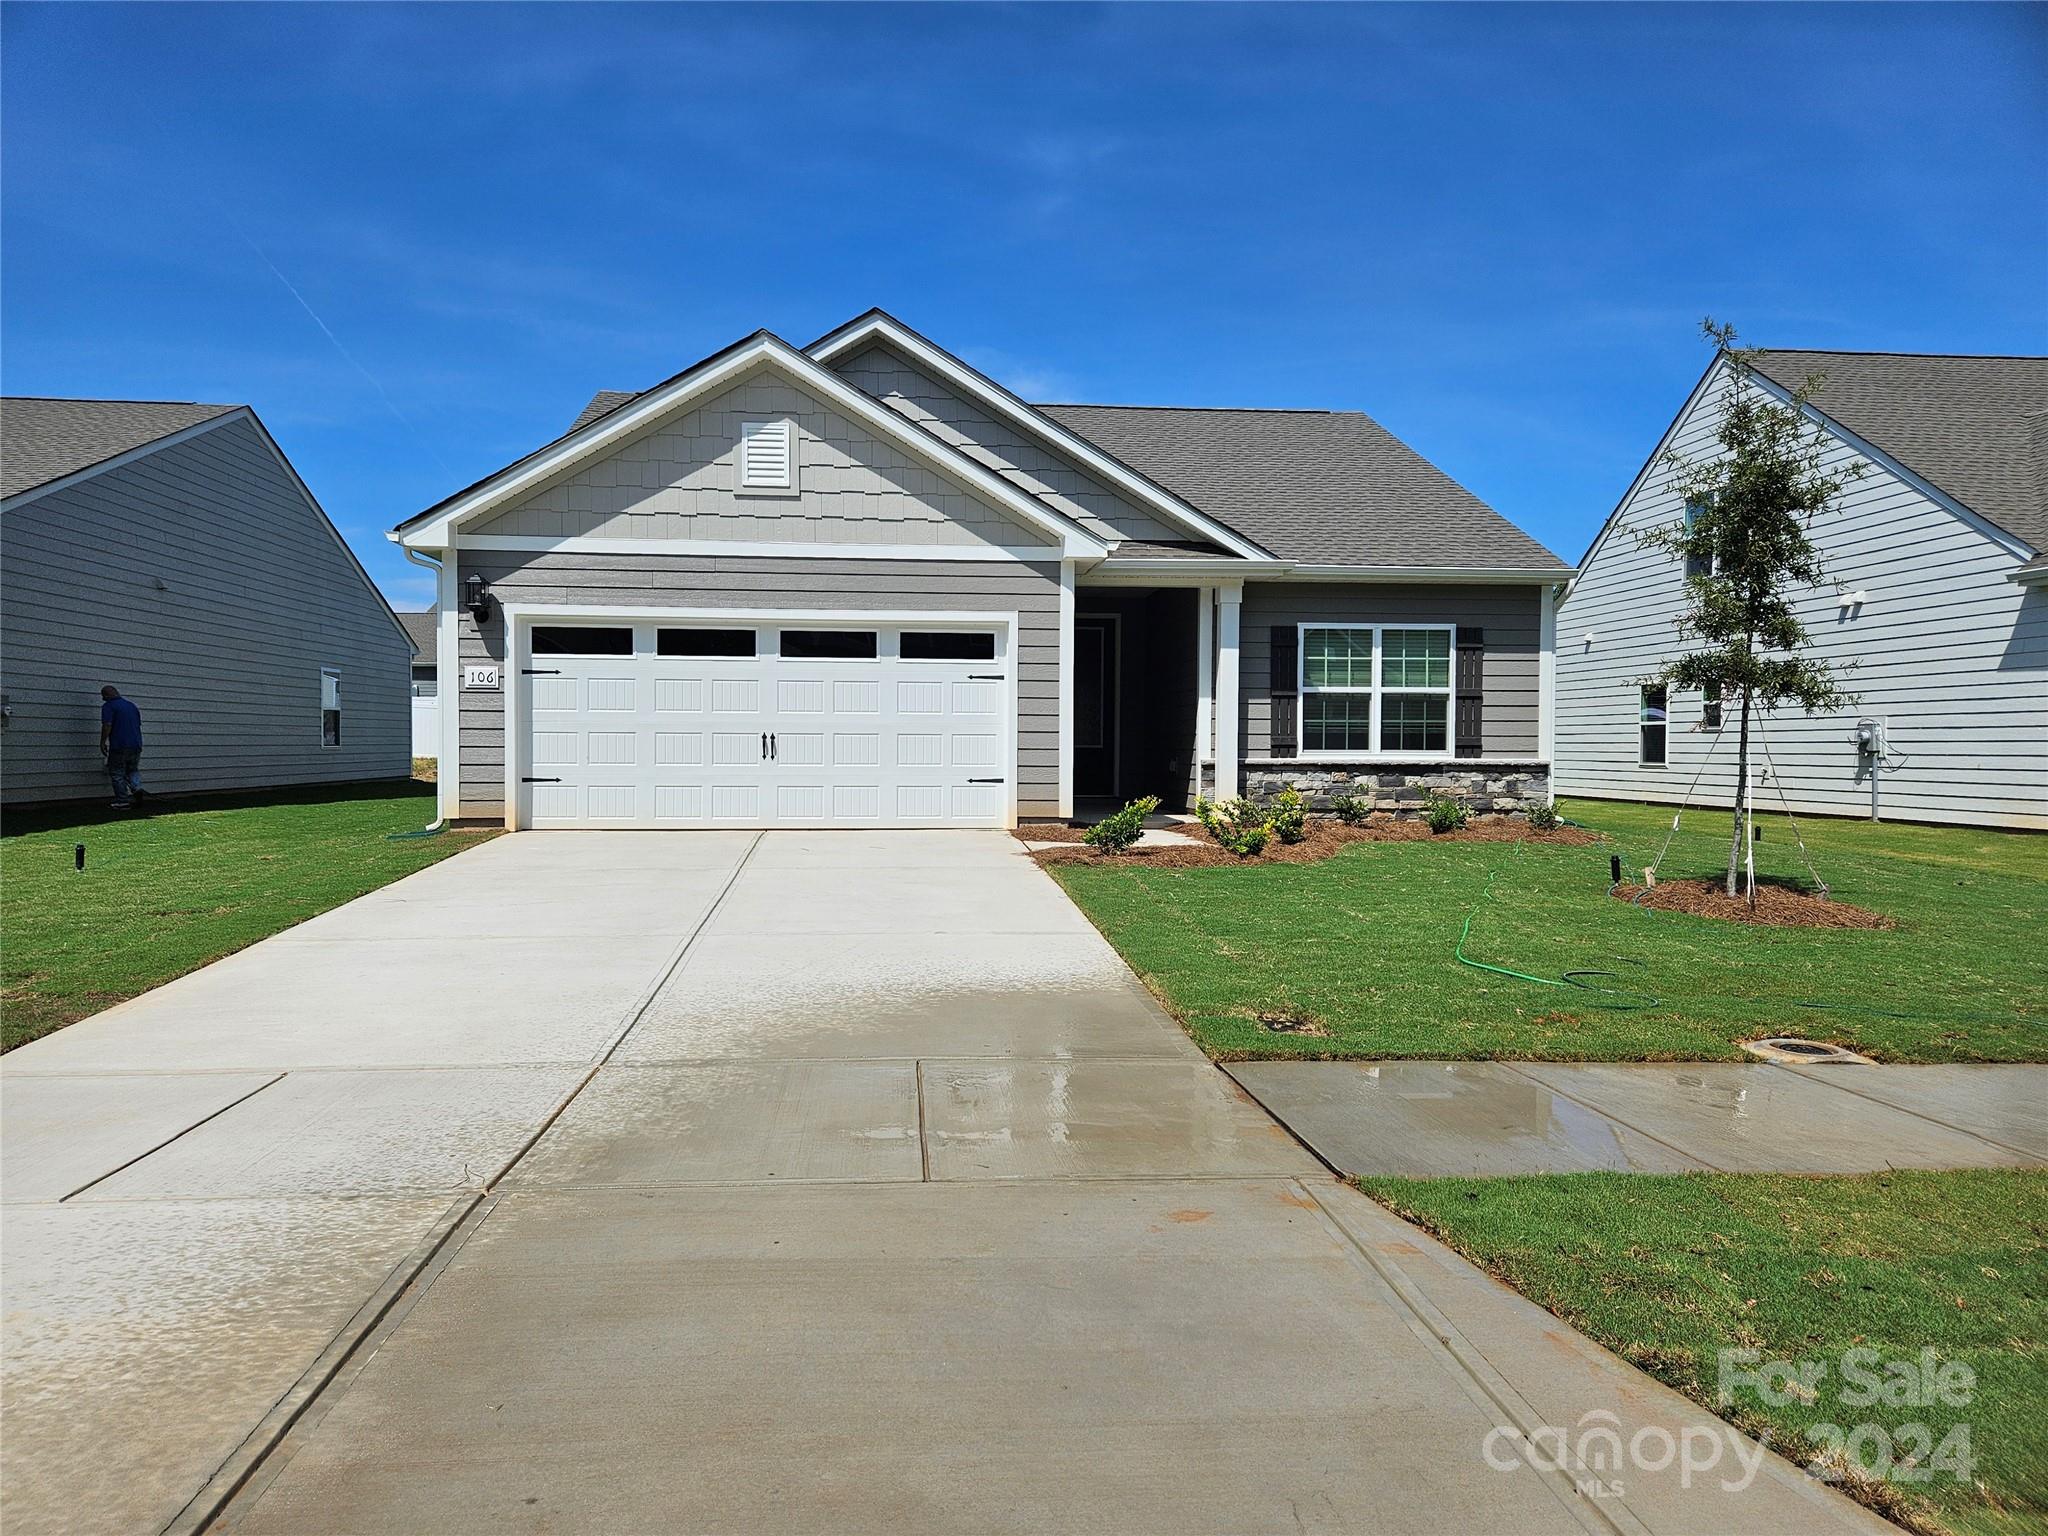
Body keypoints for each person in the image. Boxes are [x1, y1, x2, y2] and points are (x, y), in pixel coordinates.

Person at [99, 685, 147, 808]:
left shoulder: (109, 706)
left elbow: (107, 725)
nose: (103, 698)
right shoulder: (131, 706)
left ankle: (122, 800)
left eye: (103, 695)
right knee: (132, 769)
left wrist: (103, 742)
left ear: (107, 695)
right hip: (136, 743)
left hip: (120, 744)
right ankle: (137, 788)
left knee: (117, 772)